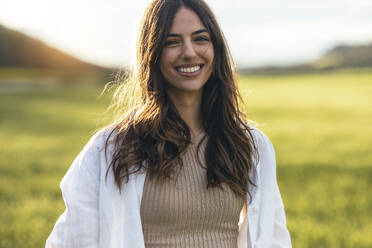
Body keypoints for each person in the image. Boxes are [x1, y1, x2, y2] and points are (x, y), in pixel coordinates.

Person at [45, 0, 291, 247]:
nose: (189, 52)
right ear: (152, 53)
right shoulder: (111, 149)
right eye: (172, 42)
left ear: (215, 48)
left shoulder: (249, 145)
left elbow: (274, 238)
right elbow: (73, 240)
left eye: (200, 39)